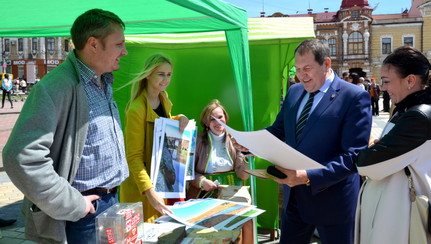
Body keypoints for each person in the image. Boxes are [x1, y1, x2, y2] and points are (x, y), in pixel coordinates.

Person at [2, 9, 129, 244]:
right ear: (93, 44)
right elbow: (20, 156)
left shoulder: (103, 78)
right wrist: (71, 204)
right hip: (81, 214)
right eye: (119, 44)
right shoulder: (55, 87)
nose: (125, 51)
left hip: (110, 201)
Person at [243, 38, 372, 244]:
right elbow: (279, 130)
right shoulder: (294, 92)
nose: (301, 75)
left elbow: (353, 156)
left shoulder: (354, 97)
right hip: (295, 198)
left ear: (326, 64)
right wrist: (250, 142)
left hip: (333, 201)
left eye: (307, 68)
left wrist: (307, 176)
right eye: (297, 69)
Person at [355, 46, 431, 244]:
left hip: (399, 221)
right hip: (395, 214)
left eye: (387, 82)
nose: (385, 89)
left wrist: (372, 151)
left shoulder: (418, 116)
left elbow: (366, 165)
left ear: (410, 80)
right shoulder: (411, 109)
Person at [120, 53, 189, 223]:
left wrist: (179, 118)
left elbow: (161, 126)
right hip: (141, 188)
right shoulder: (136, 108)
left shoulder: (163, 98)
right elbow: (133, 157)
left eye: (169, 74)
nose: (166, 79)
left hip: (160, 182)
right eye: (161, 74)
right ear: (148, 74)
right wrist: (149, 190)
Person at [186, 99, 252, 244]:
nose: (218, 122)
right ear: (206, 123)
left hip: (231, 194)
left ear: (225, 118)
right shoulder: (197, 141)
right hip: (204, 195)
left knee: (247, 220)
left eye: (220, 117)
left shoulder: (235, 141)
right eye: (212, 119)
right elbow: (187, 171)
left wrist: (247, 159)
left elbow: (242, 175)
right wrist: (202, 181)